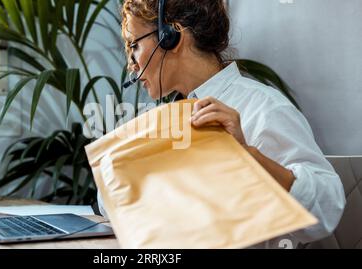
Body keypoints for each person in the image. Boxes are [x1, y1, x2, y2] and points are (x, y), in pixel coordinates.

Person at [98, 0, 345, 248]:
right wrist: (120, 169)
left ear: (170, 37)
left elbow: (326, 211)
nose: (131, 64)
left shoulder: (263, 107)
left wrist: (247, 155)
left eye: (134, 45)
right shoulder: (166, 118)